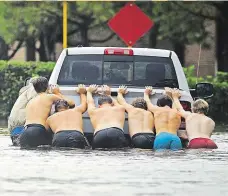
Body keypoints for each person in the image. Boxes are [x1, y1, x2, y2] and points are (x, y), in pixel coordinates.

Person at [19, 77, 75, 148]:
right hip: (38, 130)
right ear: (47, 87)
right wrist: (57, 92)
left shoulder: (30, 101)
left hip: (25, 132)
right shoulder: (50, 97)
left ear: (35, 89)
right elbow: (72, 103)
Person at [87, 84, 127, 149]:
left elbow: (90, 102)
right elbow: (116, 102)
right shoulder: (120, 108)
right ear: (112, 103)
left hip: (100, 134)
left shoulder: (93, 111)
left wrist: (89, 92)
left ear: (99, 105)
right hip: (116, 132)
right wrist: (108, 94)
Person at [144, 86, 182, 151]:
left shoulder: (157, 109)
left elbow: (148, 102)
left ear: (159, 104)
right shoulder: (177, 111)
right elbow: (177, 105)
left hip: (161, 137)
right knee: (176, 159)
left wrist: (146, 93)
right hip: (175, 138)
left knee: (160, 159)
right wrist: (175, 97)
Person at [8, 77, 38, 146]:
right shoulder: (33, 89)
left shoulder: (22, 94)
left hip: (14, 130)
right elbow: (35, 100)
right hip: (23, 128)